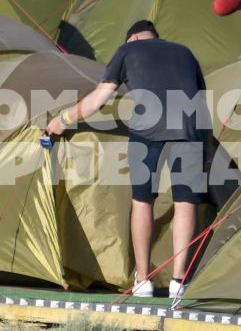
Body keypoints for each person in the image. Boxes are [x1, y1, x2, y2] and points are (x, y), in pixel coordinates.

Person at [44, 20, 208, 299]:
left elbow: (99, 99)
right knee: (185, 203)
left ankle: (143, 280)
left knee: (143, 200)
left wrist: (63, 119)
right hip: (190, 129)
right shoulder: (184, 52)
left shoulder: (128, 51)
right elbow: (201, 102)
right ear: (156, 36)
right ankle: (179, 283)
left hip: (149, 129)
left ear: (132, 38)